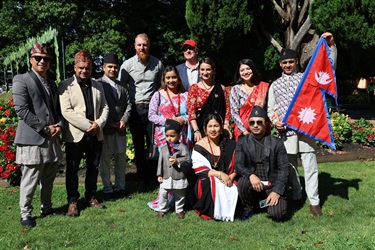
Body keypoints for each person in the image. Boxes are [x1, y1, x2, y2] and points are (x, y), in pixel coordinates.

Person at [267, 32, 337, 216]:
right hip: (286, 133)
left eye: (290, 62)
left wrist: (331, 47)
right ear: (280, 64)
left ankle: (314, 201)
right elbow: (270, 109)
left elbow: (327, 69)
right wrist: (275, 121)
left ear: (296, 61)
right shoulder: (274, 85)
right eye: (284, 63)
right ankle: (297, 194)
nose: (288, 65)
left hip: (306, 130)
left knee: (311, 166)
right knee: (290, 168)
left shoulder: (307, 79)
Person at [12, 43, 64, 227]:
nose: (42, 61)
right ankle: (25, 214)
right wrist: (45, 127)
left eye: (46, 58)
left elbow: (56, 109)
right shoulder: (21, 79)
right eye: (38, 58)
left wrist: (59, 125)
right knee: (30, 178)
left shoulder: (51, 82)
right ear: (31, 60)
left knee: (49, 176)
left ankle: (47, 208)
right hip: (33, 137)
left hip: (51, 137)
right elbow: (22, 110)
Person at [59, 50, 109, 217]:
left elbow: (105, 107)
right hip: (76, 134)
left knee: (93, 167)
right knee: (73, 169)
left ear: (91, 68)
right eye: (80, 68)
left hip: (95, 133)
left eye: (87, 68)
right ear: (75, 67)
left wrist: (99, 124)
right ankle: (72, 201)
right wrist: (87, 125)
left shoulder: (98, 85)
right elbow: (66, 111)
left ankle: (91, 196)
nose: (84, 71)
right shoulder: (65, 85)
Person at [119, 33, 164, 192]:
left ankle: (153, 178)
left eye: (144, 44)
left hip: (152, 109)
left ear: (149, 45)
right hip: (135, 110)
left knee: (153, 145)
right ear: (134, 46)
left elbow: (161, 86)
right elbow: (122, 88)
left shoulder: (157, 63)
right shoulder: (127, 65)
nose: (142, 48)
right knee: (138, 146)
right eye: (139, 45)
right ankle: (142, 180)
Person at [235, 106, 289, 221]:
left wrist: (276, 191)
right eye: (252, 122)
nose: (255, 125)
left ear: (266, 123)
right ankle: (249, 207)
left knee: (277, 214)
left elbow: (284, 170)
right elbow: (238, 165)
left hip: (272, 185)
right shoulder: (242, 142)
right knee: (243, 182)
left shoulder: (277, 143)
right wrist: (251, 175)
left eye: (259, 122)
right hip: (254, 185)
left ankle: (266, 204)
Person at [97, 53, 131, 201]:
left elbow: (129, 104)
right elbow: (98, 105)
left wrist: (124, 120)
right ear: (104, 67)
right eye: (110, 67)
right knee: (105, 160)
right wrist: (109, 121)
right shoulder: (98, 84)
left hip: (120, 128)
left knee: (120, 159)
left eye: (115, 67)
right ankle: (107, 189)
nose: (112, 69)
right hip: (106, 128)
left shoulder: (122, 85)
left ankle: (120, 187)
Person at [191, 114, 237, 221]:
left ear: (221, 128)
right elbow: (199, 170)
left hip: (229, 178)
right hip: (208, 178)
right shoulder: (199, 146)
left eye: (216, 126)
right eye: (210, 126)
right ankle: (211, 212)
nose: (213, 129)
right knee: (207, 182)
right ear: (205, 129)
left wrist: (231, 177)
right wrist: (219, 174)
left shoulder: (230, 144)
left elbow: (238, 165)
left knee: (239, 185)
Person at [187, 57, 231, 143]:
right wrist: (196, 130)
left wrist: (226, 126)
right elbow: (191, 112)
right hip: (201, 130)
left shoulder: (221, 88)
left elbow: (227, 110)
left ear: (214, 71)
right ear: (199, 72)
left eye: (208, 69)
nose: (205, 72)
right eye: (202, 70)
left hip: (218, 130)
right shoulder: (194, 89)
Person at [156, 119, 189, 219]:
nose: (169, 138)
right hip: (166, 176)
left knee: (180, 194)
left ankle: (179, 210)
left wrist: (178, 161)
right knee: (163, 193)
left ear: (179, 136)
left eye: (172, 136)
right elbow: (160, 163)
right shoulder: (164, 149)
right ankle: (162, 209)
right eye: (167, 136)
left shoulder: (183, 147)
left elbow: (187, 159)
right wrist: (159, 174)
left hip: (179, 175)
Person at [230, 59, 269, 141]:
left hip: (260, 130)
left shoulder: (262, 87)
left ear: (253, 70)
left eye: (248, 68)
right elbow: (234, 112)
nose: (246, 72)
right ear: (239, 73)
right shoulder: (236, 89)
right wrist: (244, 131)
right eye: (242, 70)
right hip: (243, 131)